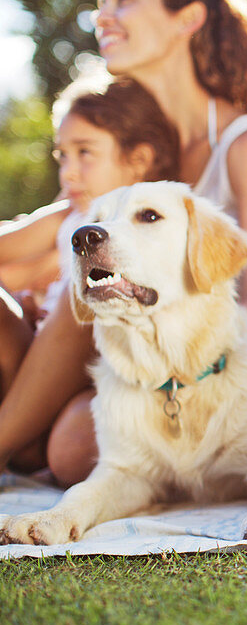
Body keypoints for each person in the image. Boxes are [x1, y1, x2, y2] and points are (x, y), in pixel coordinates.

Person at [0, 0, 247, 486]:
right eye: (103, 3)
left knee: (72, 442)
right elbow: (48, 235)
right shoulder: (138, 145)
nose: (103, 17)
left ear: (188, 17)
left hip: (227, 366)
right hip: (136, 348)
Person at [0, 73, 179, 476]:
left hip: (92, 378)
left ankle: (11, 442)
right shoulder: (70, 213)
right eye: (62, 156)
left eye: (85, 153)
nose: (70, 173)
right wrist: (25, 298)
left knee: (73, 448)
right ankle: (19, 435)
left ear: (138, 160)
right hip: (32, 368)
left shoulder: (149, 224)